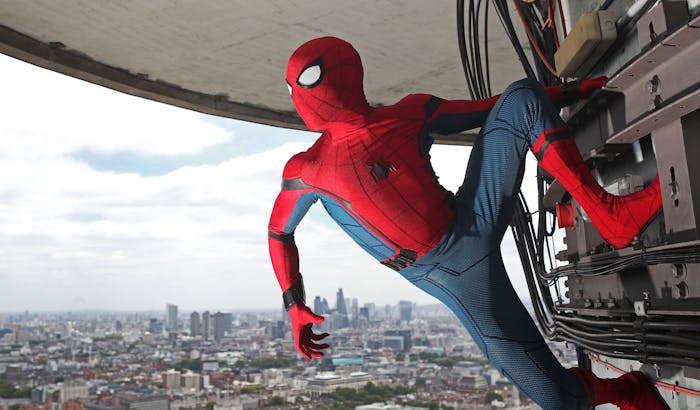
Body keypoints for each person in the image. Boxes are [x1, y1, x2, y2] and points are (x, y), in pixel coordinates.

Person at [268, 36, 665, 409]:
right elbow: (279, 232)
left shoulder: (409, 113)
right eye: (292, 87)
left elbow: (500, 105)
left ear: (345, 73)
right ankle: (627, 389)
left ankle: (610, 215)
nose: (301, 95)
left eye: (307, 80)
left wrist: (579, 90)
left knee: (521, 94)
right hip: (450, 275)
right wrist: (294, 304)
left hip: (473, 216)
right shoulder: (306, 171)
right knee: (557, 400)